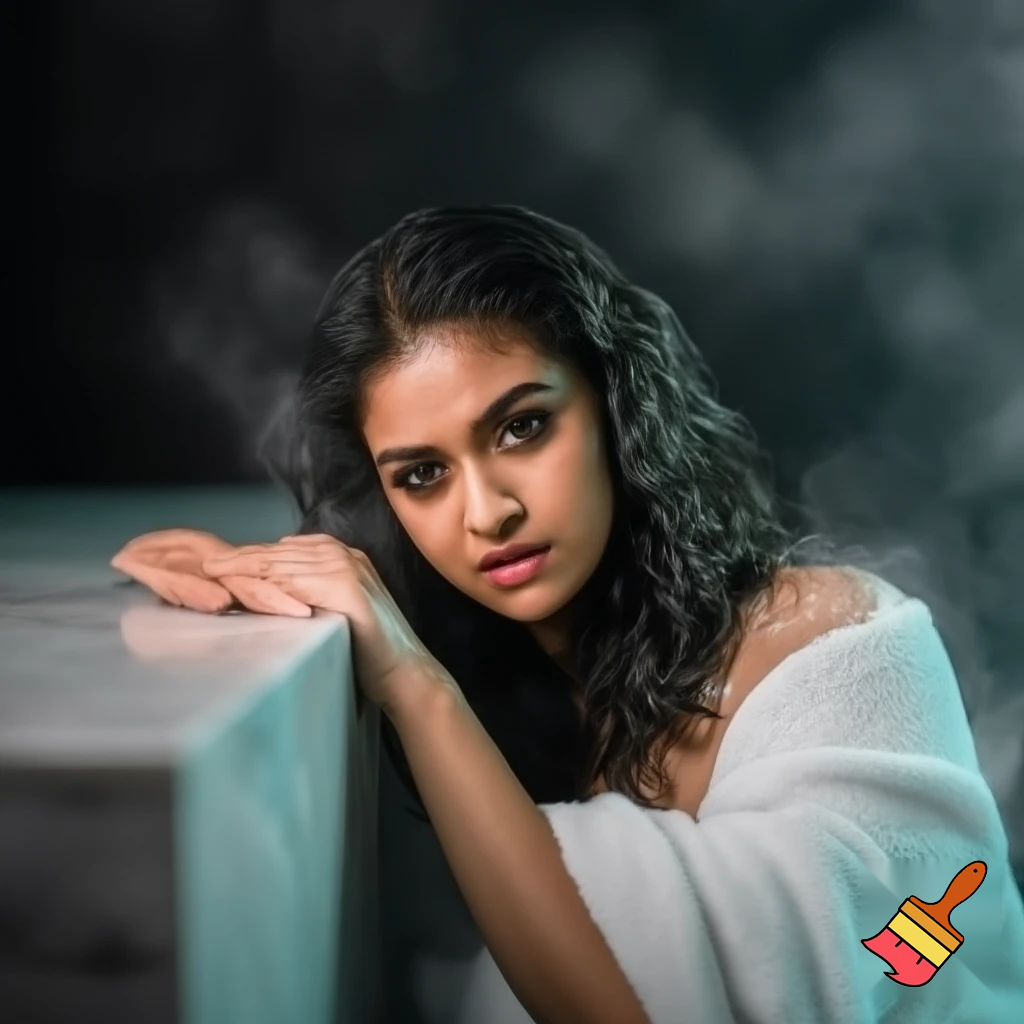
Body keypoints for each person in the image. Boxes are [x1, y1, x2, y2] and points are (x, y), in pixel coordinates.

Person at [111, 206, 1024, 1023]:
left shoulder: (843, 645)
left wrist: (417, 688)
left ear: (614, 404)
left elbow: (638, 1009)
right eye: (422, 475)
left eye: (522, 427)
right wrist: (257, 578)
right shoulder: (520, 682)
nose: (487, 512)